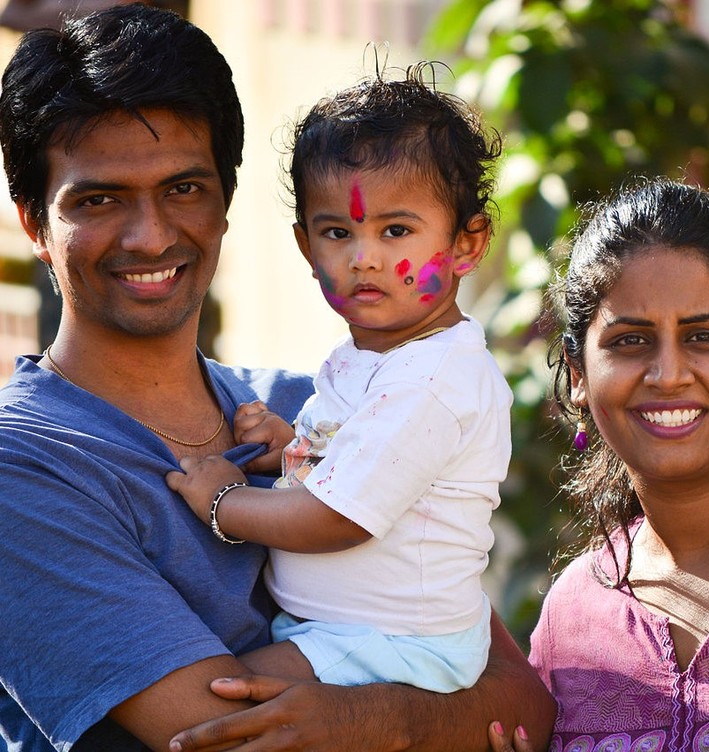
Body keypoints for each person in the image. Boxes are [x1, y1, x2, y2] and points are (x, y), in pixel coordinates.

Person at [0, 4, 555, 751]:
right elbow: (219, 737)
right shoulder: (23, 466)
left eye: (184, 189)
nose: (152, 234)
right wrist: (423, 726)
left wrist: (377, 724)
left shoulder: (321, 409)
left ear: (226, 204)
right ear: (35, 224)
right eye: (98, 199)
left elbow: (520, 698)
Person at [166, 65, 512, 695]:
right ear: (306, 247)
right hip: (345, 631)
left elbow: (341, 517)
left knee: (220, 698)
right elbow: (363, 459)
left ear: (467, 243)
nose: (365, 257)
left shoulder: (435, 377)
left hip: (398, 644)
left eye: (396, 231)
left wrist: (226, 503)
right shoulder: (378, 354)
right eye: (337, 232)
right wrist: (293, 448)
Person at [487, 178, 709, 752]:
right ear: (579, 377)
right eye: (630, 341)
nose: (668, 374)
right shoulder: (573, 615)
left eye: (704, 336)